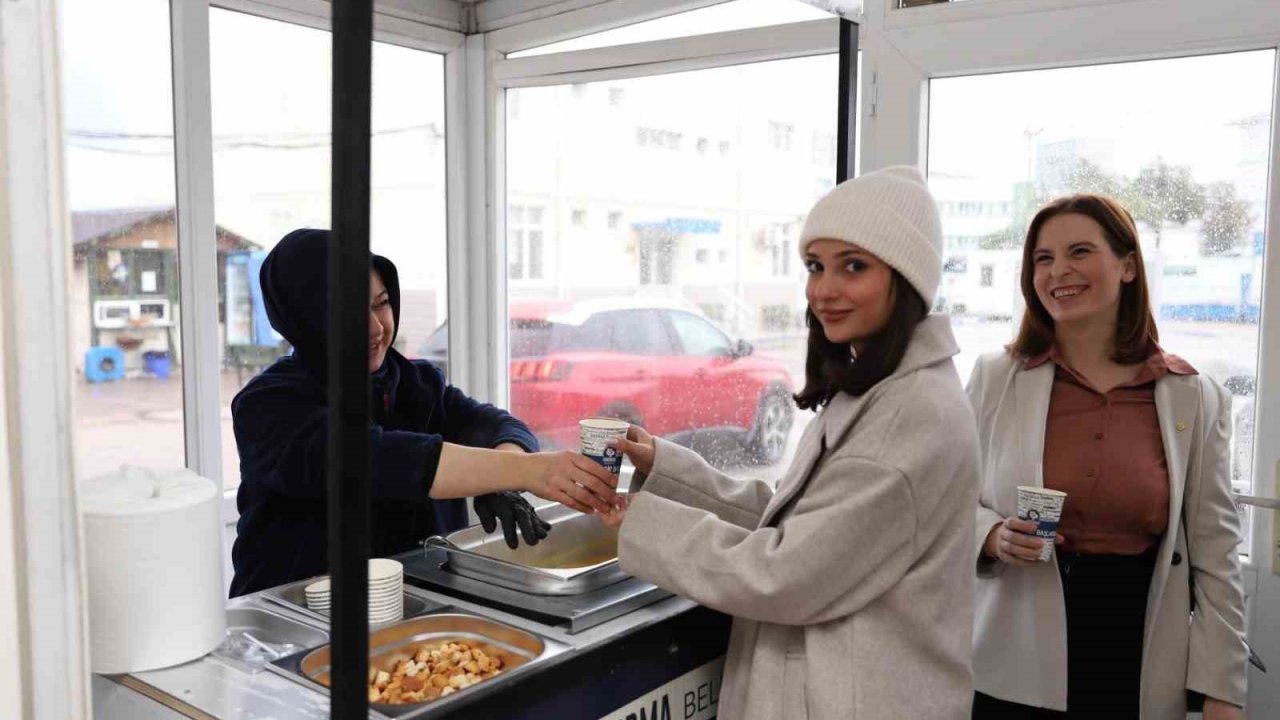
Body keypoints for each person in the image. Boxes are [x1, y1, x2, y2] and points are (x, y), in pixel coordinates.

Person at [600, 166, 980, 719]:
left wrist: (636, 518)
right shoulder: (876, 386)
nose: (824, 290)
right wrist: (663, 469)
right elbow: (794, 521)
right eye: (815, 266)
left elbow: (784, 574)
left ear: (906, 280)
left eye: (854, 266)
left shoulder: (911, 417)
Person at [967, 195, 1248, 719]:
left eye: (1079, 252)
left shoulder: (1193, 394)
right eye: (1043, 259)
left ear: (1127, 266)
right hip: (1012, 651)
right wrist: (989, 534)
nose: (1058, 272)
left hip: (1137, 648)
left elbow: (1216, 557)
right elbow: (942, 506)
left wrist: (1222, 691)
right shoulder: (994, 379)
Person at [230, 229, 618, 597]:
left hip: (414, 601)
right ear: (303, 319)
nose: (374, 329)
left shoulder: (413, 382)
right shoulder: (268, 406)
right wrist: (531, 471)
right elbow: (379, 460)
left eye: (380, 304)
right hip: (298, 610)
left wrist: (501, 475)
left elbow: (495, 425)